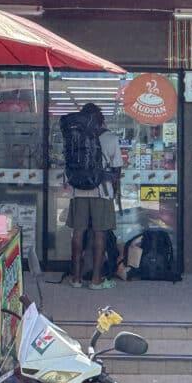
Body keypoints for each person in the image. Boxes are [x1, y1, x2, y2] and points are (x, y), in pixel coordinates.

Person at [67, 103, 122, 290]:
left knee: (78, 232)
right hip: (102, 192)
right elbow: (116, 169)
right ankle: (96, 280)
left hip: (78, 191)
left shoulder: (75, 137)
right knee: (100, 233)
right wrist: (116, 191)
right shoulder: (111, 139)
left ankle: (76, 278)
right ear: (101, 119)